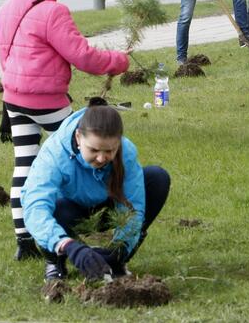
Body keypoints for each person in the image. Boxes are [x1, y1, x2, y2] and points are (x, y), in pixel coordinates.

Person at [0, 0, 130, 260]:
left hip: (14, 99)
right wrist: (119, 61)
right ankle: (91, 219)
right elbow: (84, 57)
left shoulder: (7, 7)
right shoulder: (54, 12)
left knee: (24, 166)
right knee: (85, 156)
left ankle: (25, 241)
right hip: (49, 101)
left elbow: (5, 56)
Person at [22, 103, 171, 281]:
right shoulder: (54, 154)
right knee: (57, 209)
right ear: (78, 137)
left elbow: (134, 207)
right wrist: (68, 245)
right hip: (70, 212)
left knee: (157, 178)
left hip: (106, 207)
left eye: (109, 151)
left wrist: (119, 249)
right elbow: (34, 207)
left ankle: (116, 261)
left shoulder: (126, 151)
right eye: (93, 150)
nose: (101, 158)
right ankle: (55, 260)